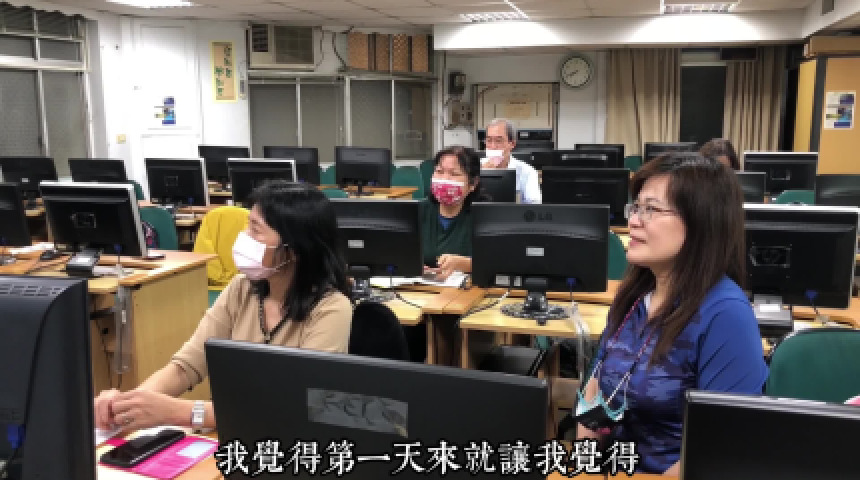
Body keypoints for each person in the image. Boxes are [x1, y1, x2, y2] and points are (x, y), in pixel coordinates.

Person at [93, 180, 353, 432]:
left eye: (255, 230)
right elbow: (187, 366)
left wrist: (180, 412)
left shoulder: (331, 309)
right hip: (229, 430)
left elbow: (298, 405)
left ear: (293, 250)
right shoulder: (242, 288)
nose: (244, 237)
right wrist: (131, 404)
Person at [575, 152, 767, 475]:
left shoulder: (725, 315)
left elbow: (721, 447)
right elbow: (595, 392)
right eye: (636, 208)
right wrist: (586, 467)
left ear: (700, 223)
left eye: (651, 209)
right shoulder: (634, 297)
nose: (634, 221)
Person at [422, 145, 486, 281]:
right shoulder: (419, 211)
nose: (444, 179)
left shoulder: (484, 217)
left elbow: (498, 262)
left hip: (466, 290)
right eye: (439, 172)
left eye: (454, 174)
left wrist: (464, 264)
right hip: (422, 288)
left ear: (473, 183)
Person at [481, 118, 542, 204]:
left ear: (512, 144)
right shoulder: (475, 167)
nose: (493, 146)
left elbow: (534, 205)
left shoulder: (527, 172)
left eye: (498, 141)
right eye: (489, 140)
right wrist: (481, 175)